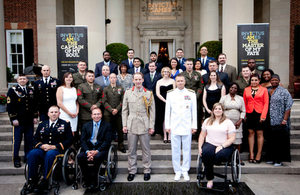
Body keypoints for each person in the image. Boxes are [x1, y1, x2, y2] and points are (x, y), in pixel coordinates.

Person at [26, 105, 73, 193]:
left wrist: (56, 146)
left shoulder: (65, 124)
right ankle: (32, 181)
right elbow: (35, 139)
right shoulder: (42, 124)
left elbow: (69, 140)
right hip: (43, 149)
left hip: (57, 150)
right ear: (48, 114)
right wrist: (41, 146)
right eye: (52, 112)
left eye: (55, 112)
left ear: (59, 113)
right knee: (32, 153)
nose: (54, 114)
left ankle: (45, 180)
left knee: (50, 154)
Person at [122, 72, 155, 182]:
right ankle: (132, 170)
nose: (138, 81)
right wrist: (125, 124)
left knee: (146, 149)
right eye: (136, 79)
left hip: (144, 124)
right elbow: (124, 110)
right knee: (131, 150)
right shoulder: (128, 93)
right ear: (132, 80)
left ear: (143, 80)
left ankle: (147, 170)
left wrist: (151, 126)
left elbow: (152, 111)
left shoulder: (148, 93)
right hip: (131, 124)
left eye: (140, 79)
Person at [165, 73, 197, 181]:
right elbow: (167, 111)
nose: (180, 83)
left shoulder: (191, 94)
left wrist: (194, 125)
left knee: (187, 149)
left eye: (181, 81)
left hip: (187, 125)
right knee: (175, 150)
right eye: (178, 81)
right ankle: (177, 171)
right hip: (174, 125)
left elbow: (194, 111)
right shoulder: (170, 94)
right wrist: (167, 125)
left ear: (185, 81)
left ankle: (185, 170)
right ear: (175, 82)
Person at [198, 103, 236, 189]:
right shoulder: (207, 121)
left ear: (222, 111)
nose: (217, 110)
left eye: (219, 109)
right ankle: (210, 179)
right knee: (206, 153)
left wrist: (221, 146)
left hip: (225, 145)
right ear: (212, 111)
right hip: (210, 143)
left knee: (219, 156)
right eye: (216, 109)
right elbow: (202, 136)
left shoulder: (228, 122)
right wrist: (200, 147)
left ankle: (208, 166)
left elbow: (232, 138)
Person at [7, 73, 38, 168]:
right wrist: (13, 118)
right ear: (17, 80)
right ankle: (16, 158)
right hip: (18, 121)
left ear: (27, 80)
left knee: (29, 140)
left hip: (28, 120)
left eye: (24, 79)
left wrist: (35, 116)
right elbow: (10, 105)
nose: (22, 80)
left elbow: (33, 104)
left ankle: (27, 156)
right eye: (20, 79)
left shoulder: (30, 90)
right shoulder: (13, 91)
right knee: (17, 140)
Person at [77, 108, 112, 188]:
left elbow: (107, 141)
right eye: (95, 114)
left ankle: (94, 178)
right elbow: (82, 140)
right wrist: (88, 152)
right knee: (80, 157)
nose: (97, 116)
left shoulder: (107, 125)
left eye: (98, 114)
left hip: (100, 149)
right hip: (88, 148)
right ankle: (87, 178)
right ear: (91, 115)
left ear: (101, 115)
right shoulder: (86, 126)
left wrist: (97, 151)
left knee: (98, 157)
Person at [266, 74, 293, 166]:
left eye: (276, 80)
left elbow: (288, 106)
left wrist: (284, 120)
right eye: (272, 80)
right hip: (270, 120)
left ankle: (278, 160)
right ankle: (271, 158)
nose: (274, 82)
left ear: (279, 81)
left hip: (280, 120)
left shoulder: (284, 91)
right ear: (270, 81)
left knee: (279, 141)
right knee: (271, 140)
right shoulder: (268, 90)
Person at [243, 73, 269, 164]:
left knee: (259, 134)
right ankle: (251, 154)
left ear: (259, 81)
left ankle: (259, 154)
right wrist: (244, 114)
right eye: (252, 80)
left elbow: (266, 103)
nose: (254, 82)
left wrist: (263, 116)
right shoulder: (246, 89)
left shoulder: (264, 90)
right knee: (250, 133)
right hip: (249, 113)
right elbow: (244, 103)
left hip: (259, 114)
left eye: (256, 80)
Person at [219, 82, 246, 165]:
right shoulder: (224, 98)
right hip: (226, 121)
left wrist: (240, 120)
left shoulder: (240, 98)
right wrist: (224, 120)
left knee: (237, 139)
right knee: (226, 139)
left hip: (237, 123)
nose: (233, 89)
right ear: (229, 88)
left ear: (237, 90)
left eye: (235, 88)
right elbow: (219, 109)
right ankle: (226, 157)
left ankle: (237, 158)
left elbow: (243, 110)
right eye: (231, 87)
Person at [102, 73, 126, 153]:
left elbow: (123, 101)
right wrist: (111, 109)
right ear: (109, 79)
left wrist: (117, 109)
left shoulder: (121, 88)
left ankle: (121, 146)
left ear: (116, 79)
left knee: (120, 130)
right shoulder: (105, 89)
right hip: (108, 113)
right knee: (107, 130)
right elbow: (103, 101)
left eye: (114, 77)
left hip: (118, 113)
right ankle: (107, 146)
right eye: (111, 78)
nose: (112, 79)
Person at [182, 59, 204, 137]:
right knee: (185, 115)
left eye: (191, 64)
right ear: (185, 65)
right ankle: (186, 133)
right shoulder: (182, 75)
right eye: (188, 64)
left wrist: (196, 96)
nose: (189, 66)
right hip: (185, 99)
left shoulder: (197, 74)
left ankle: (197, 135)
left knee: (197, 115)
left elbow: (200, 87)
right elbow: (181, 87)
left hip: (196, 98)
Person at [156, 67, 175, 141]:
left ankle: (170, 135)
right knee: (164, 119)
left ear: (169, 73)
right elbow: (158, 93)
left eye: (167, 72)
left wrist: (170, 101)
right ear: (162, 73)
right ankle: (165, 136)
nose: (166, 73)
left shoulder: (173, 81)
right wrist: (165, 101)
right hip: (162, 102)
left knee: (170, 118)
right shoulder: (159, 82)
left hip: (172, 101)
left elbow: (174, 91)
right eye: (164, 72)